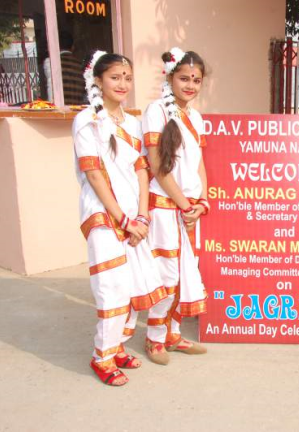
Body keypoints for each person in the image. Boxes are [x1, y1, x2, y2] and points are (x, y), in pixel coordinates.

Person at [73, 51, 166, 386]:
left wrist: (142, 216)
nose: (123, 83)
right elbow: (94, 174)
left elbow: (141, 171)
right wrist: (123, 220)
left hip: (134, 218)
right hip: (104, 215)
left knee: (134, 283)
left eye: (127, 78)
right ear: (98, 80)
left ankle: (117, 346)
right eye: (115, 77)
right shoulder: (86, 120)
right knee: (111, 287)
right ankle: (102, 357)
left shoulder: (133, 123)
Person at [142, 48, 209, 365]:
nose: (190, 85)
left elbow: (199, 164)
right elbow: (158, 167)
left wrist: (202, 202)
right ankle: (155, 338)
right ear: (170, 77)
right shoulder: (155, 111)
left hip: (190, 210)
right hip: (166, 208)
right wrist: (184, 205)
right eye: (184, 78)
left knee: (186, 272)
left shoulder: (196, 117)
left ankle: (174, 334)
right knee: (167, 275)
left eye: (196, 80)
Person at [43, 31, 86, 105]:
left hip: (59, 109)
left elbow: (51, 89)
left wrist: (52, 107)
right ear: (72, 47)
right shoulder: (81, 65)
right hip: (78, 109)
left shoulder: (51, 62)